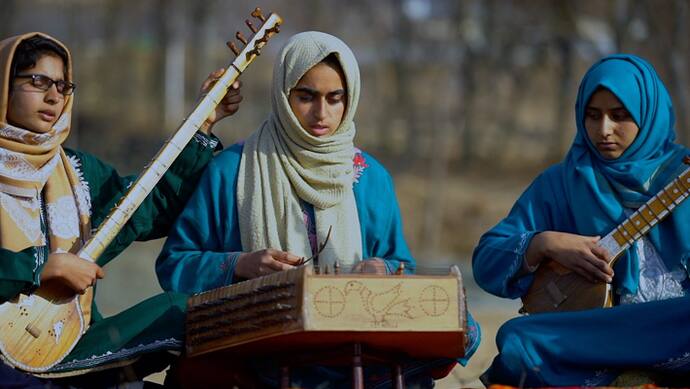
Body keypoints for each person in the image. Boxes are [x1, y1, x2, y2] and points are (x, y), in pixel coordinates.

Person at [156, 31, 481, 387]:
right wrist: (241, 264)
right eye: (306, 96)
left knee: (460, 326)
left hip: (354, 352)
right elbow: (175, 264)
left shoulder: (370, 179)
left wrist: (381, 269)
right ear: (283, 94)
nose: (321, 113)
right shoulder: (231, 171)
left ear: (350, 99)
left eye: (335, 98)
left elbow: (397, 262)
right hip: (259, 350)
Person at [0, 32, 242, 387]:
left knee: (190, 312)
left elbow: (146, 209)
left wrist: (204, 122)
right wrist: (43, 267)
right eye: (37, 81)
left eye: (63, 86)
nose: (54, 96)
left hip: (73, 347)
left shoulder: (79, 172)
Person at [472, 54, 690, 386]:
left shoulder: (681, 176)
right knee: (518, 337)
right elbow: (487, 261)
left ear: (649, 114)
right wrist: (544, 244)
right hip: (597, 333)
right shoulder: (561, 183)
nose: (604, 130)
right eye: (592, 116)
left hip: (671, 325)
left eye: (619, 116)